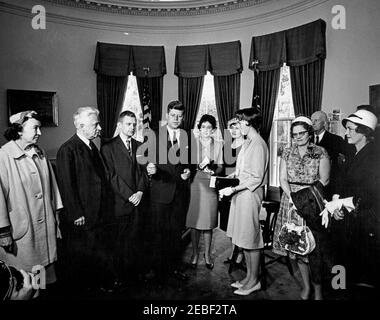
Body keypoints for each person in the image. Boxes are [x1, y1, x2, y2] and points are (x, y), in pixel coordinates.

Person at [0, 111, 62, 295]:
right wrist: (2, 231)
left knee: (41, 277)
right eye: (35, 128)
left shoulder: (40, 153)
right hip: (21, 231)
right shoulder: (3, 156)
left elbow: (53, 189)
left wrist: (56, 219)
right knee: (23, 282)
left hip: (44, 229)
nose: (40, 132)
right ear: (19, 130)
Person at [321, 109, 380, 296]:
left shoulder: (373, 157)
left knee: (356, 270)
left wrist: (340, 204)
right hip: (346, 221)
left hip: (364, 225)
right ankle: (339, 291)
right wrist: (337, 202)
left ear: (365, 132)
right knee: (340, 263)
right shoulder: (351, 152)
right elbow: (341, 183)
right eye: (346, 128)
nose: (346, 133)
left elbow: (370, 196)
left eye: (351, 129)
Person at [272, 116, 330, 300]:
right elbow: (282, 179)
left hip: (312, 202)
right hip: (290, 202)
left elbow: (324, 180)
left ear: (309, 132)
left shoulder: (320, 152)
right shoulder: (287, 152)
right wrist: (293, 198)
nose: (298, 137)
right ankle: (306, 287)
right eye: (294, 134)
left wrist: (304, 200)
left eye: (302, 133)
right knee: (298, 249)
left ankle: (318, 290)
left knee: (314, 251)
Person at [56, 106, 110, 295]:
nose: (99, 128)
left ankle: (95, 286)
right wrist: (76, 213)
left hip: (97, 212)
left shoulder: (91, 146)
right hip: (82, 215)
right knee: (82, 258)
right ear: (80, 125)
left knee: (96, 252)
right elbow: (66, 185)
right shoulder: (67, 149)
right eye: (95, 124)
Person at [219, 107, 269, 296]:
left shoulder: (258, 144)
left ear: (249, 123)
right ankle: (249, 277)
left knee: (251, 239)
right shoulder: (248, 142)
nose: (237, 124)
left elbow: (255, 178)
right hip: (242, 194)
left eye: (239, 121)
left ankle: (254, 281)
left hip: (250, 195)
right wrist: (231, 178)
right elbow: (243, 171)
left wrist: (232, 188)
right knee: (243, 239)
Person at [100, 110, 148, 287]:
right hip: (120, 204)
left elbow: (144, 172)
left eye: (134, 124)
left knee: (137, 241)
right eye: (129, 124)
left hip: (139, 201)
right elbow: (111, 176)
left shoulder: (139, 145)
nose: (133, 127)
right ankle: (119, 277)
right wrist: (130, 195)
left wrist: (141, 191)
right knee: (120, 243)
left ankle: (134, 275)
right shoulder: (108, 147)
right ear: (120, 125)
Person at [145, 100, 191, 282]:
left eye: (179, 116)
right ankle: (157, 272)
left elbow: (190, 163)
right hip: (160, 193)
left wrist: (189, 171)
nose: (176, 119)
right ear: (166, 116)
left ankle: (173, 269)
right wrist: (151, 170)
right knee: (158, 234)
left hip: (180, 195)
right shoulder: (154, 135)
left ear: (183, 117)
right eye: (173, 115)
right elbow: (147, 164)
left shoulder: (187, 136)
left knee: (175, 235)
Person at [185, 114, 223, 269]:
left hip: (210, 184)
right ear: (199, 129)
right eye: (203, 127)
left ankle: (207, 256)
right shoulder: (192, 144)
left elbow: (220, 165)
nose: (206, 130)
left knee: (208, 223)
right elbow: (186, 164)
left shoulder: (219, 145)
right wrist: (195, 166)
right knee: (194, 222)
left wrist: (215, 171)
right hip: (195, 183)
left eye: (209, 127)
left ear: (213, 129)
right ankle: (194, 254)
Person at [219, 118, 245, 266]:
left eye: (236, 127)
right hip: (227, 186)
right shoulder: (226, 146)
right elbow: (222, 168)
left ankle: (240, 252)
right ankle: (234, 250)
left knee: (239, 222)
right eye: (231, 128)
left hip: (240, 186)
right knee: (228, 222)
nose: (234, 131)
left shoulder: (248, 145)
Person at [311, 111, 354, 197]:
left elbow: (349, 158)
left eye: (316, 120)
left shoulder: (336, 140)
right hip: (311, 184)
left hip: (329, 185)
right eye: (311, 120)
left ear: (324, 123)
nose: (313, 123)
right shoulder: (307, 140)